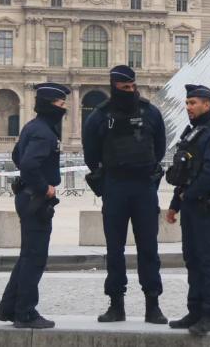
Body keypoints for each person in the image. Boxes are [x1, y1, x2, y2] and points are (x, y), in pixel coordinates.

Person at [82, 65, 167, 325]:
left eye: (132, 87)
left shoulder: (150, 112)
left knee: (149, 249)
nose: (129, 91)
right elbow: (91, 155)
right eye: (124, 88)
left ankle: (152, 304)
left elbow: (159, 149)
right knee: (115, 250)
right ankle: (116, 304)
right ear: (114, 86)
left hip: (142, 187)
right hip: (116, 186)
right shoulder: (99, 116)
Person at [0, 83, 69, 329]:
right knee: (35, 258)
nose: (63, 108)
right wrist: (44, 187)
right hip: (35, 199)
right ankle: (25, 312)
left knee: (27, 256)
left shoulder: (32, 127)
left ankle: (9, 308)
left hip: (26, 196)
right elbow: (27, 163)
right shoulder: (45, 132)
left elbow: (17, 155)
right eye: (60, 104)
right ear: (49, 105)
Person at [165, 84, 210, 336]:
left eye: (193, 103)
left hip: (205, 205)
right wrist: (175, 204)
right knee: (191, 259)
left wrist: (187, 195)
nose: (188, 107)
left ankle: (209, 314)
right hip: (191, 205)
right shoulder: (193, 133)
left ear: (207, 104)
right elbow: (185, 174)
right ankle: (194, 310)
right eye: (187, 102)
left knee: (207, 260)